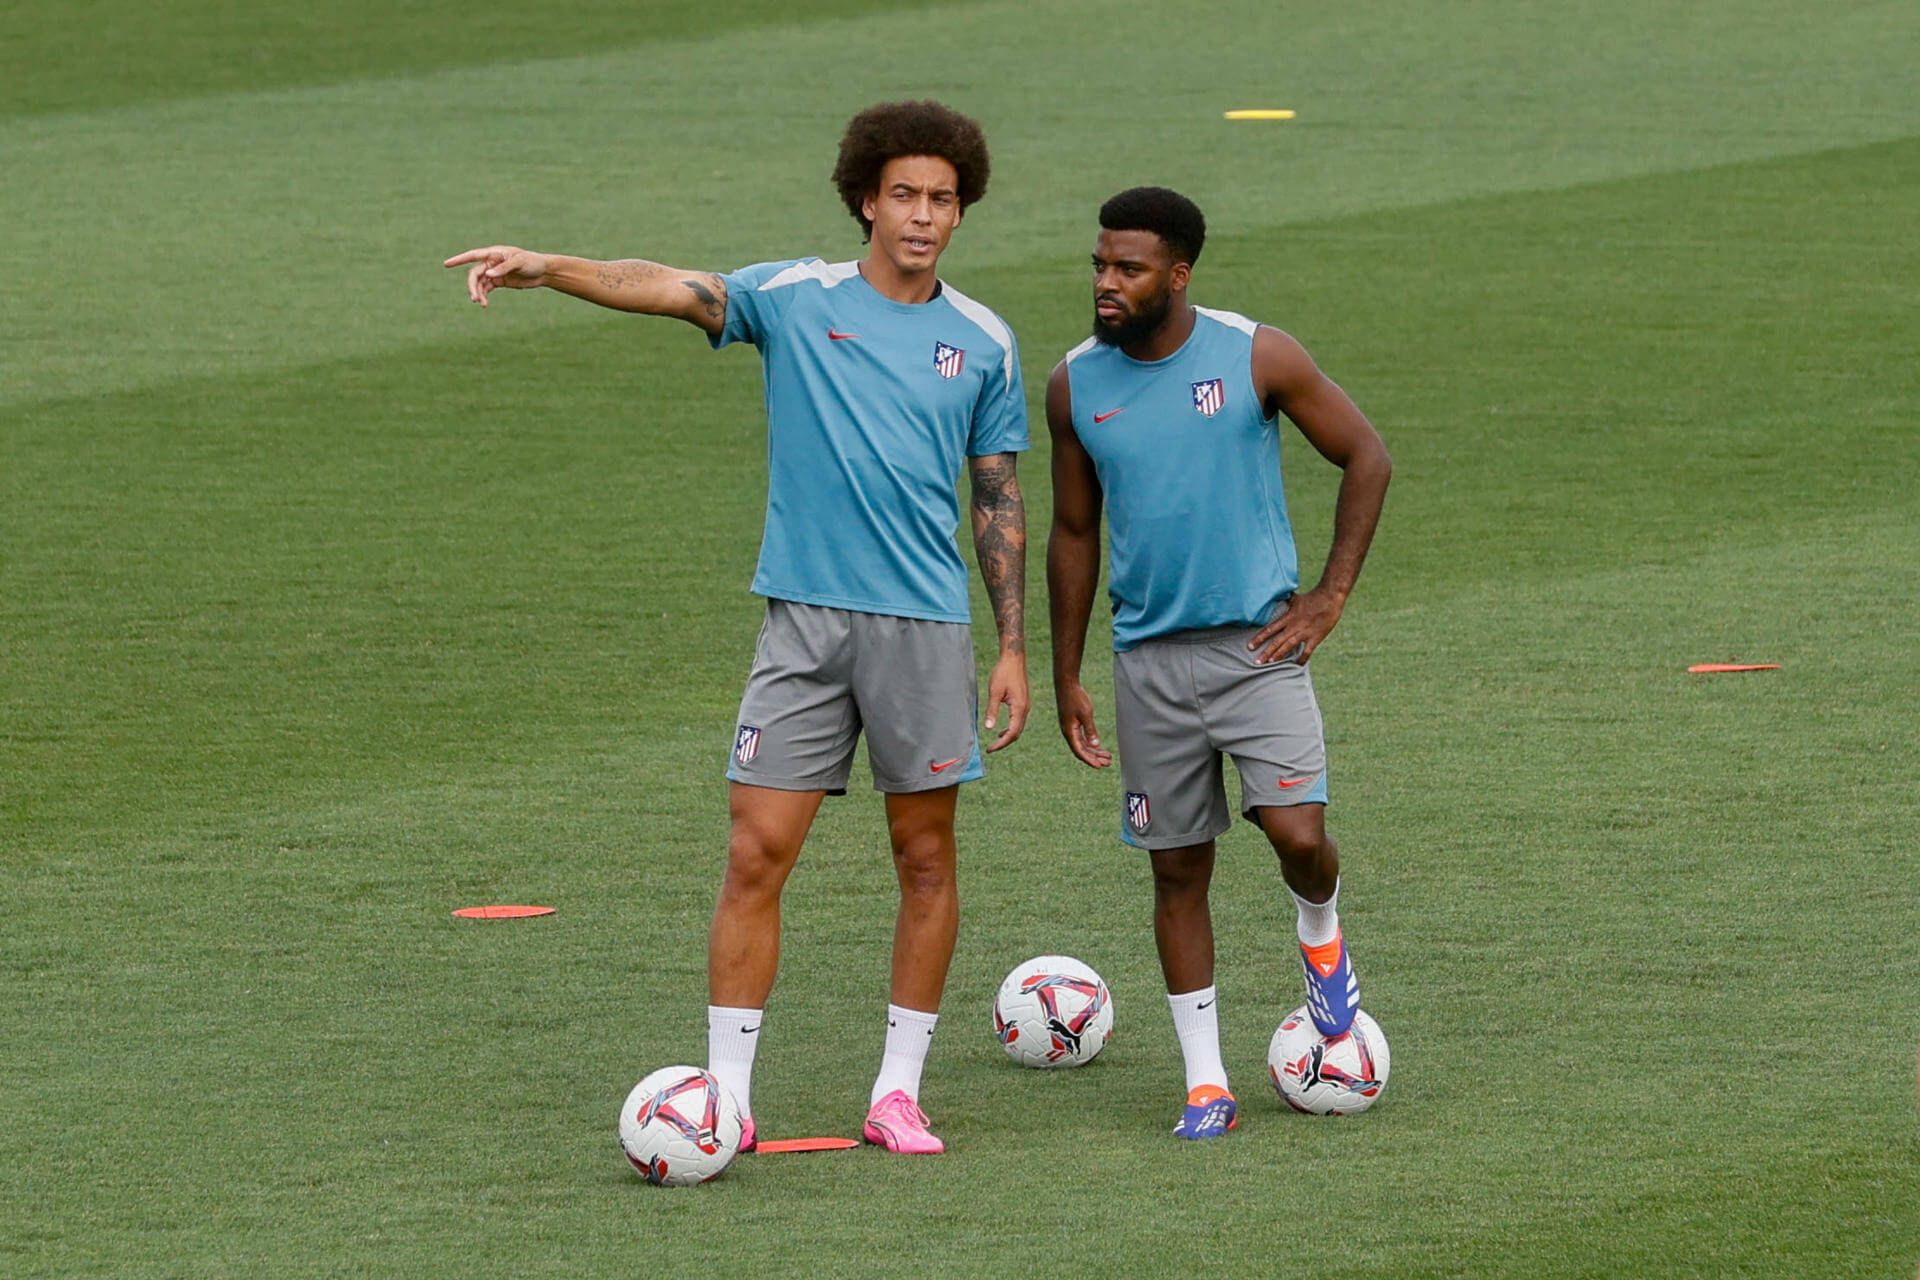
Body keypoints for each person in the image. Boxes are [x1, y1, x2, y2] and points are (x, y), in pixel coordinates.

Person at [445, 101, 1030, 1155]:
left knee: (927, 856)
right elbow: (668, 285)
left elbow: (996, 497)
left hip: (925, 632)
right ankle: (724, 1092)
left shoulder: (983, 341)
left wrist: (1017, 646)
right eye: (905, 193)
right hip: (803, 627)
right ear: (866, 196)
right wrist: (549, 265)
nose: (924, 216)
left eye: (943, 199)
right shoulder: (795, 298)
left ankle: (898, 1090)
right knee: (757, 850)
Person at [1045, 187, 1390, 1140]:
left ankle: (1320, 936)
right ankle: (1207, 1082)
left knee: (1297, 834)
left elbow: (1366, 454)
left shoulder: (1255, 354)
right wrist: (1067, 670)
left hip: (1257, 648)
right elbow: (1075, 530)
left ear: (1179, 275)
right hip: (1146, 663)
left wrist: (1329, 596)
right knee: (1176, 869)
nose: (1107, 284)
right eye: (1100, 266)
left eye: (1129, 269)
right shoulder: (1075, 384)